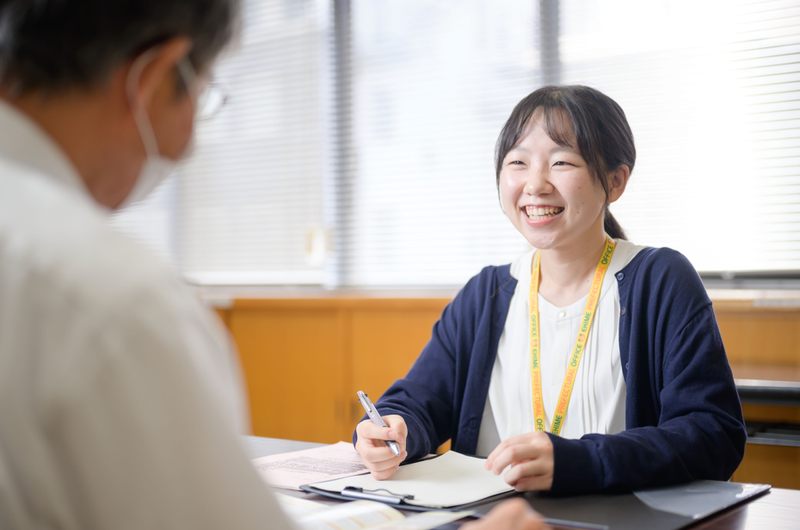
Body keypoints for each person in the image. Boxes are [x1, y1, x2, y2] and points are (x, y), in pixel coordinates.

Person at [0, 1, 545, 528]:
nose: (189, 144)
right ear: (157, 78)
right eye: (202, 96)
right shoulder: (112, 297)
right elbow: (419, 399)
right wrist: (396, 426)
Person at [355, 85, 747, 495]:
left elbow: (713, 434)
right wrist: (392, 429)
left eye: (561, 162)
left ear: (615, 182)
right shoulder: (486, 294)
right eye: (518, 162)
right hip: (491, 520)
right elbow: (418, 400)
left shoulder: (660, 280)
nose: (535, 184)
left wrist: (581, 461)